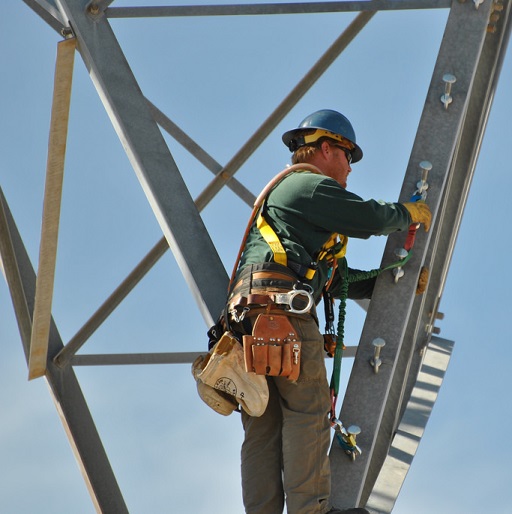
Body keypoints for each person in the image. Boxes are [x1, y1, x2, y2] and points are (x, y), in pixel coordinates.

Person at [224, 109, 431, 514]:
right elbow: (366, 217)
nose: (349, 169)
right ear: (324, 148)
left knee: (263, 425)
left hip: (249, 319)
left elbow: (334, 280)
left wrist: (383, 284)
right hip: (283, 315)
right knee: (308, 411)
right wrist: (407, 213)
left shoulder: (290, 205)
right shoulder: (307, 185)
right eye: (347, 156)